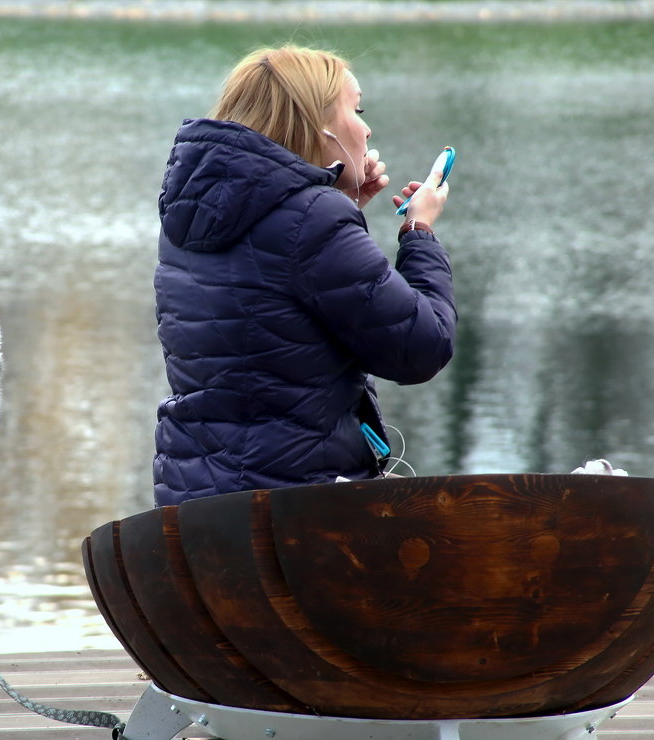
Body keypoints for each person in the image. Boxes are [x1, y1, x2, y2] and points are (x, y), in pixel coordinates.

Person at [152, 44, 457, 507]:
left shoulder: (193, 217)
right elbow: (421, 346)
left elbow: (279, 300)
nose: (367, 126)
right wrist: (418, 232)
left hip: (194, 501)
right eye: (357, 110)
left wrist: (343, 205)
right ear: (323, 130)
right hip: (292, 511)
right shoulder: (313, 218)